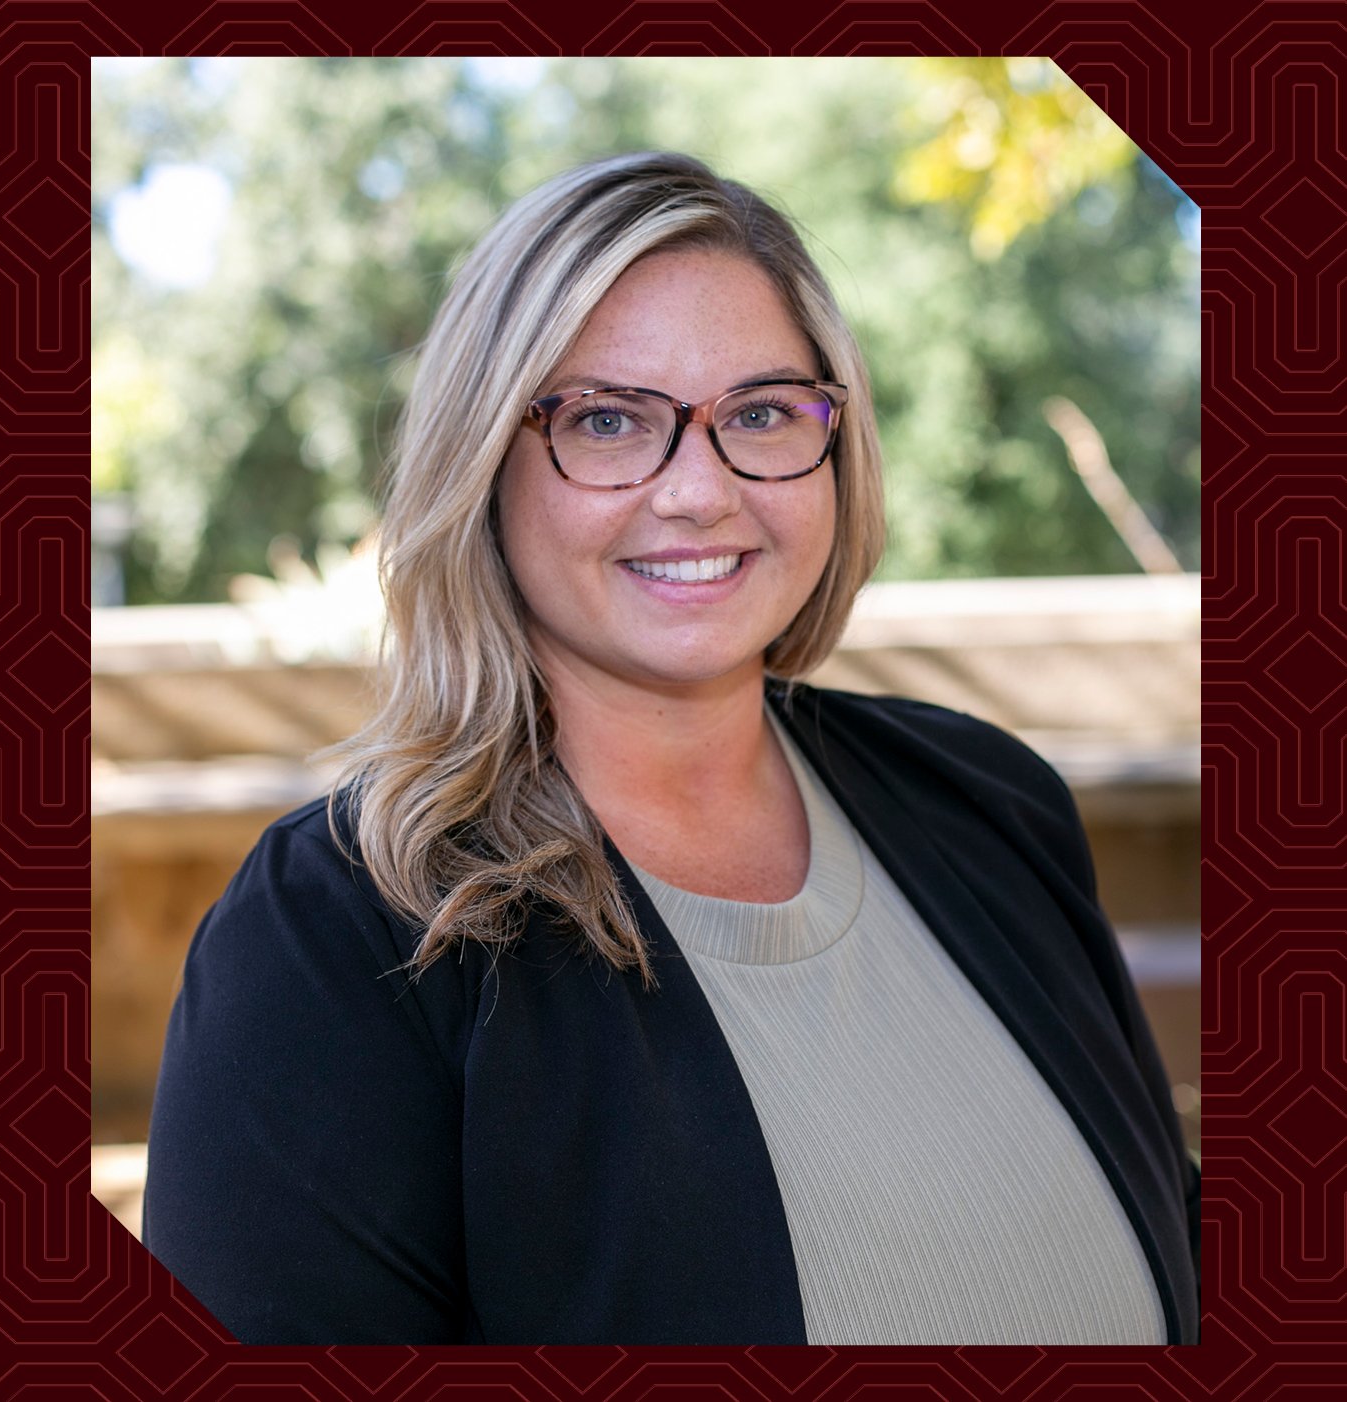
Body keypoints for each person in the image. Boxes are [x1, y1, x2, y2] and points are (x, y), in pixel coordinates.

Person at [142, 151, 1200, 1346]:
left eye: (758, 413)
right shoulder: (335, 938)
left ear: (835, 446)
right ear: (482, 465)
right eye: (605, 419)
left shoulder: (989, 803)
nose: (700, 489)